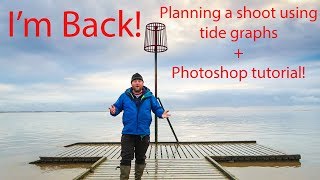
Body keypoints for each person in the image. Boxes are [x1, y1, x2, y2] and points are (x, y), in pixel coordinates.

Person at [109, 73, 170, 180]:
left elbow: (157, 108)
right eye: (135, 81)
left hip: (143, 133)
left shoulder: (150, 97)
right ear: (131, 83)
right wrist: (113, 111)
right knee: (125, 158)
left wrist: (161, 114)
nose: (137, 83)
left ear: (142, 83)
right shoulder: (124, 96)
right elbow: (117, 107)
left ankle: (138, 178)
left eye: (139, 81)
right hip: (128, 132)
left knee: (141, 158)